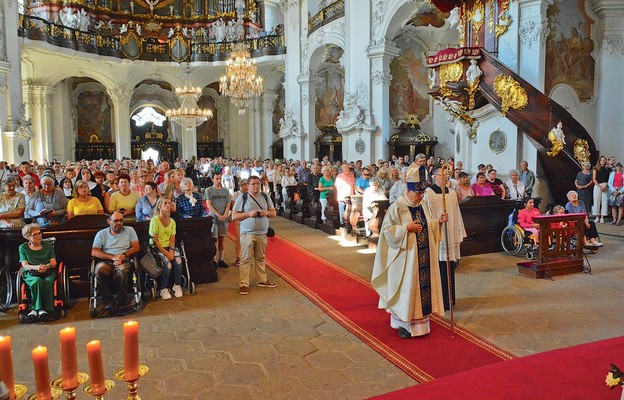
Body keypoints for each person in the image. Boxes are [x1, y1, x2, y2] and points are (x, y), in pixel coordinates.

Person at [371, 162, 448, 338]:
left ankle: (421, 325)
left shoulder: (422, 204)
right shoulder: (398, 206)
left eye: (422, 193)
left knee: (422, 290)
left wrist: (438, 222)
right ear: (408, 190)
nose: (421, 196)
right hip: (405, 258)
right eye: (418, 193)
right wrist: (406, 229)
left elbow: (427, 224)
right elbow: (387, 231)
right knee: (407, 289)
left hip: (422, 257)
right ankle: (403, 324)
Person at [424, 167, 466, 311]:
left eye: (447, 175)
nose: (445, 177)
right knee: (439, 268)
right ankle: (439, 299)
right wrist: (438, 221)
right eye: (442, 175)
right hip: (438, 234)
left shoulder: (452, 193)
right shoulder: (428, 193)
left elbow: (457, 214)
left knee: (449, 267)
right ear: (434, 176)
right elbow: (427, 216)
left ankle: (450, 299)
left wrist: (458, 231)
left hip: (450, 233)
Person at [232, 175, 277, 295]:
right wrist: (249, 214)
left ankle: (262, 280)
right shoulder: (242, 198)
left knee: (260, 257)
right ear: (248, 186)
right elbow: (234, 216)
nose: (256, 186)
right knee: (245, 259)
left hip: (262, 233)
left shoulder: (265, 197)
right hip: (247, 233)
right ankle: (243, 284)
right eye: (253, 184)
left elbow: (273, 213)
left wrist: (266, 212)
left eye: (258, 184)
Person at [91, 211, 140, 317]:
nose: (119, 223)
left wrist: (123, 255)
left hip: (124, 259)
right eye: (116, 220)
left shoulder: (129, 230)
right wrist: (112, 257)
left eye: (121, 220)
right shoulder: (102, 234)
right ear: (109, 221)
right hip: (107, 260)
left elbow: (136, 247)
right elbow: (94, 251)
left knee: (121, 272)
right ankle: (109, 303)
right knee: (99, 271)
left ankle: (122, 303)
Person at [18, 223, 58, 323]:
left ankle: (48, 309)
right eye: (34, 235)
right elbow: (25, 265)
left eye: (39, 233)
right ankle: (38, 309)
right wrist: (36, 267)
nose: (38, 236)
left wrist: (46, 266)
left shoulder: (48, 246)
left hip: (47, 271)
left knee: (48, 281)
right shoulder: (23, 247)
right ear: (28, 237)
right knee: (36, 281)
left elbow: (53, 263)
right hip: (31, 272)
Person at [149, 197, 184, 299]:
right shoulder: (155, 220)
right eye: (165, 203)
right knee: (167, 265)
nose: (168, 205)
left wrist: (172, 250)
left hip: (169, 246)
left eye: (169, 203)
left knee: (178, 261)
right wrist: (167, 253)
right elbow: (155, 240)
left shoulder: (172, 221)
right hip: (158, 247)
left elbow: (172, 237)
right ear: (159, 206)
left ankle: (177, 285)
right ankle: (163, 288)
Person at [205, 172, 231, 268]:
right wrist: (218, 215)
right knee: (213, 240)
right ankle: (214, 259)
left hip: (224, 218)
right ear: (213, 179)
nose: (219, 180)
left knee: (222, 239)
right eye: (217, 179)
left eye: (220, 178)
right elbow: (209, 205)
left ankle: (221, 259)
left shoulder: (225, 191)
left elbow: (228, 204)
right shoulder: (209, 190)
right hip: (214, 218)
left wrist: (225, 214)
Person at [231, 179, 248, 266]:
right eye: (245, 184)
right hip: (239, 219)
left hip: (248, 219)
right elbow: (233, 207)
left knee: (247, 239)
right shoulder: (236, 194)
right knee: (239, 239)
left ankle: (245, 257)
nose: (247, 186)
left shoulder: (250, 194)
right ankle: (238, 257)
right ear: (241, 185)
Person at [592, 156, 609, 223]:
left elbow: (609, 179)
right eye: (601, 160)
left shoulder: (608, 169)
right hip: (597, 185)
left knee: (604, 201)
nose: (602, 161)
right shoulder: (595, 168)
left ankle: (602, 217)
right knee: (596, 200)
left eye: (604, 160)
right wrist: (600, 186)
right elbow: (594, 179)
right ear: (599, 161)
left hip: (605, 185)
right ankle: (597, 216)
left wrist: (605, 186)